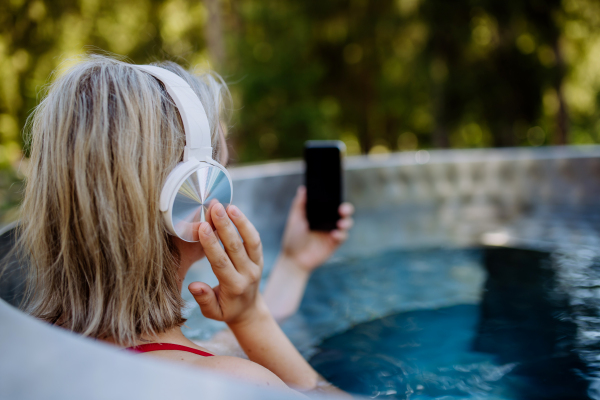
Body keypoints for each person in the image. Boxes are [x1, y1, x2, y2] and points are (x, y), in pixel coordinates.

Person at [17, 55, 354, 397]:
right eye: (222, 169)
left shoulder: (33, 348)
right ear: (188, 195)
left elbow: (221, 344)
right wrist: (250, 318)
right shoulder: (229, 386)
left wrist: (294, 266)